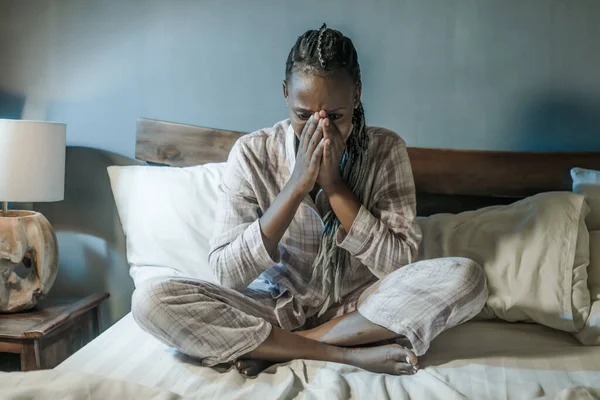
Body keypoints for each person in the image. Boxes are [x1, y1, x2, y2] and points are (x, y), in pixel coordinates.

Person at [132, 24, 487, 377]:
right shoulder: (253, 154)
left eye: (335, 116)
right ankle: (345, 354)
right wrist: (296, 187)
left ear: (356, 96)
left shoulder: (385, 151)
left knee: (467, 278)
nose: (321, 129)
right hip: (276, 305)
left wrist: (334, 186)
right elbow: (227, 274)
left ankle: (285, 345)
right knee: (150, 300)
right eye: (304, 116)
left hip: (360, 311)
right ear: (286, 94)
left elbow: (399, 266)